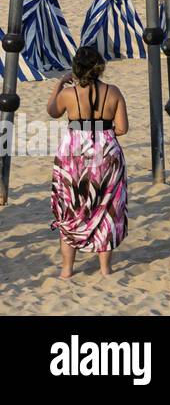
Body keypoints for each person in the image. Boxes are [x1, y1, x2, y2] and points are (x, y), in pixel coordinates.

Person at [47, 46, 129, 278]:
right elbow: (122, 128)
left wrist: (60, 83)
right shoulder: (113, 92)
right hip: (106, 152)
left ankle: (67, 270)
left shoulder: (68, 94)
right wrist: (101, 134)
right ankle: (105, 269)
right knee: (106, 208)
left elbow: (52, 111)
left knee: (70, 208)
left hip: (73, 154)